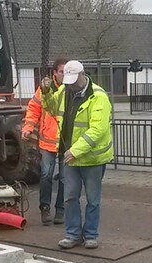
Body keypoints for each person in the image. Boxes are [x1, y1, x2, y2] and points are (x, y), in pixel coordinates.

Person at [41, 60, 113, 250]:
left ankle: (90, 235)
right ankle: (73, 234)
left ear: (83, 75)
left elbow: (97, 130)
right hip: (70, 157)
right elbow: (50, 109)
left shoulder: (99, 97)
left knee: (92, 199)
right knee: (70, 197)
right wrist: (46, 92)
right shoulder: (65, 91)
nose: (70, 84)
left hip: (91, 159)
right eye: (67, 80)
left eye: (73, 80)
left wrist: (75, 150)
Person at [22, 58, 67, 225]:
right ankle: (45, 208)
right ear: (54, 73)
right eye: (62, 71)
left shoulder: (71, 89)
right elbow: (33, 109)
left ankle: (60, 210)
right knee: (46, 175)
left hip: (65, 142)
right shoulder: (44, 89)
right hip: (48, 141)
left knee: (64, 177)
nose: (64, 75)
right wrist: (28, 127)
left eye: (66, 72)